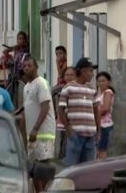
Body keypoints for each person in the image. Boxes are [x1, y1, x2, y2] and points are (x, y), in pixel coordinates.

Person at [22, 56, 56, 192]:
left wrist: (35, 128)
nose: (26, 68)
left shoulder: (41, 83)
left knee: (43, 168)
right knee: (34, 168)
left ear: (36, 67)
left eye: (29, 65)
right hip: (32, 135)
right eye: (24, 66)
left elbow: (45, 106)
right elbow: (26, 110)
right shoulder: (26, 87)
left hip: (43, 133)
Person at [59, 57, 100, 166]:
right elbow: (61, 109)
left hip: (90, 134)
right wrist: (68, 128)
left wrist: (98, 130)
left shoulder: (92, 89)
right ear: (82, 71)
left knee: (88, 167)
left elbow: (96, 111)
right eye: (90, 71)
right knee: (71, 166)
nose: (92, 74)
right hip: (75, 134)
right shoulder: (68, 88)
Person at [95, 72, 115, 159]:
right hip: (98, 124)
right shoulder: (98, 94)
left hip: (105, 125)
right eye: (99, 81)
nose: (101, 83)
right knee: (98, 149)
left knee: (102, 149)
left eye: (103, 81)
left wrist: (94, 115)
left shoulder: (108, 92)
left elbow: (106, 108)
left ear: (108, 82)